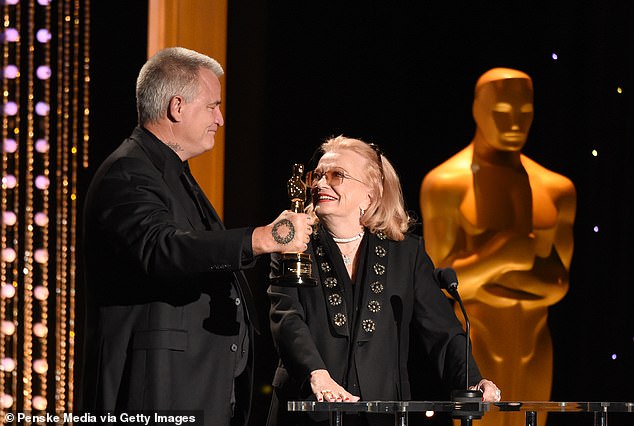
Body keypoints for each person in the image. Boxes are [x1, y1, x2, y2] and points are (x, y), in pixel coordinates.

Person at [79, 47, 314, 426]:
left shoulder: (172, 172)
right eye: (212, 106)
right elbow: (161, 248)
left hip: (196, 386)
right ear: (177, 106)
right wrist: (261, 239)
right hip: (157, 392)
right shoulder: (127, 172)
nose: (220, 119)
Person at [267, 135, 500, 426]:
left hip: (381, 412)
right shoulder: (292, 241)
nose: (320, 184)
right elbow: (286, 318)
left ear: (371, 194)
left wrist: (472, 380)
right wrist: (317, 373)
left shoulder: (406, 253)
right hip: (307, 409)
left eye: (336, 175)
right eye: (318, 175)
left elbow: (442, 331)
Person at [420, 68, 576, 426]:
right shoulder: (447, 184)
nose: (515, 122)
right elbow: (440, 283)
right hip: (478, 343)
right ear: (477, 109)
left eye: (525, 112)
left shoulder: (556, 189)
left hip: (536, 346)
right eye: (502, 110)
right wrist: (506, 253)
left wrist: (488, 270)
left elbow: (558, 284)